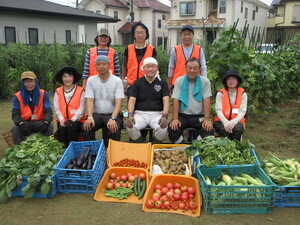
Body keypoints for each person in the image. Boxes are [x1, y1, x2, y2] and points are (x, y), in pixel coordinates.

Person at [168, 58, 214, 143]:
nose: (192, 70)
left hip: (199, 116)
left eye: (195, 68)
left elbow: (207, 100)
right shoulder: (179, 81)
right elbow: (176, 100)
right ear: (185, 68)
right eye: (189, 68)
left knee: (209, 130)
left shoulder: (205, 81)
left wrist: (207, 119)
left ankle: (195, 146)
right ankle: (183, 147)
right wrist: (175, 118)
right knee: (172, 129)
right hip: (182, 115)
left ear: (199, 69)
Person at [83, 55, 124, 147]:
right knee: (86, 127)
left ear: (109, 65)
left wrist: (113, 118)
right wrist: (89, 117)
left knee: (114, 128)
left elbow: (119, 102)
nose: (101, 66)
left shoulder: (117, 81)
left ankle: (111, 151)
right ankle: (93, 152)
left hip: (112, 113)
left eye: (104, 64)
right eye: (98, 64)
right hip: (96, 114)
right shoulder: (91, 80)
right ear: (95, 66)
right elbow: (89, 100)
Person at [126, 57, 169, 143]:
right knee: (130, 126)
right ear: (143, 68)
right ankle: (142, 143)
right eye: (147, 66)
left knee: (163, 128)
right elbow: (132, 100)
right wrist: (130, 115)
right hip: (140, 114)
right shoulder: (137, 82)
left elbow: (166, 100)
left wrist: (164, 116)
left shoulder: (162, 83)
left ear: (157, 68)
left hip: (157, 114)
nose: (150, 69)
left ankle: (154, 143)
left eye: (153, 66)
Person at [11, 71, 53, 145]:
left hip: (40, 122)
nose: (29, 84)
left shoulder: (44, 94)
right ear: (23, 83)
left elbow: (48, 110)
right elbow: (15, 113)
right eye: (26, 82)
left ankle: (46, 147)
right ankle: (19, 149)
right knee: (15, 128)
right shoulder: (17, 96)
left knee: (49, 126)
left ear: (35, 81)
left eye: (31, 81)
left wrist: (46, 122)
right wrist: (21, 124)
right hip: (25, 122)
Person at [168, 25, 207, 90]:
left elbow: (203, 67)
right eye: (184, 34)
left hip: (195, 83)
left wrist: (204, 82)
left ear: (193, 35)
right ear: (181, 36)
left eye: (189, 34)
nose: (187, 37)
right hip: (179, 84)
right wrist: (170, 84)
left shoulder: (199, 49)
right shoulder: (175, 50)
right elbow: (171, 67)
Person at [54, 66, 85, 147]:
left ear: (73, 77)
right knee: (61, 129)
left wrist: (73, 120)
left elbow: (81, 108)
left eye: (69, 76)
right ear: (62, 78)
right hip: (62, 120)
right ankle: (63, 151)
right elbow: (57, 108)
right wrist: (61, 120)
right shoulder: (58, 91)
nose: (67, 79)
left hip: (77, 121)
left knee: (72, 129)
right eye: (65, 76)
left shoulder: (80, 91)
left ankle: (72, 149)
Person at [123, 22, 157, 95]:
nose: (140, 35)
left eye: (142, 33)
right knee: (131, 105)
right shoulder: (128, 49)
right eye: (137, 33)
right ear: (134, 34)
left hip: (147, 83)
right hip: (131, 84)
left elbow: (156, 68)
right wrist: (124, 80)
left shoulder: (152, 49)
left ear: (146, 34)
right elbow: (124, 66)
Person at [213, 70, 247, 141]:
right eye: (228, 79)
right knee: (223, 129)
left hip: (237, 121)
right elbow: (218, 110)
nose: (231, 81)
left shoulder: (243, 94)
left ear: (237, 81)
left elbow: (242, 111)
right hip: (221, 120)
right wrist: (225, 122)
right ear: (225, 82)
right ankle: (224, 148)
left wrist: (233, 122)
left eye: (233, 78)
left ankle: (235, 148)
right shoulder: (220, 94)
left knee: (237, 129)